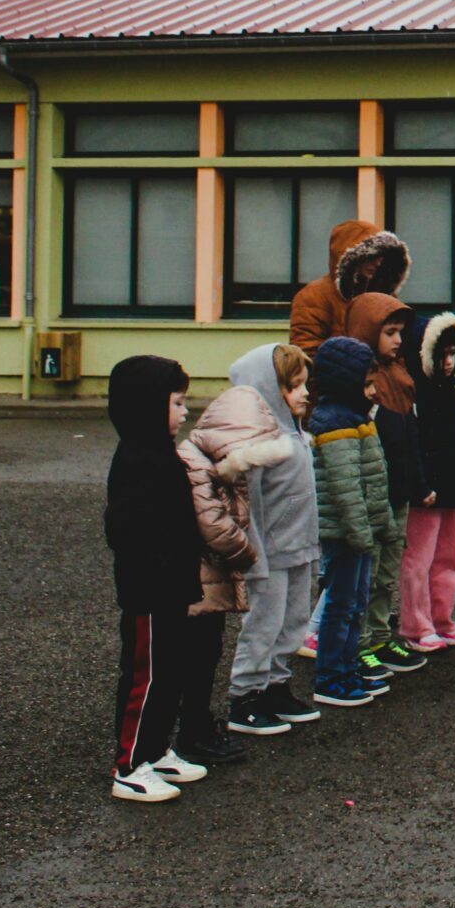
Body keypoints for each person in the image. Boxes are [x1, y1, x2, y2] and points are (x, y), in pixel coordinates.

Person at [172, 379, 293, 769]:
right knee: (194, 657)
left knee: (207, 654)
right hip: (202, 580)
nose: (185, 411)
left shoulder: (218, 465)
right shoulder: (197, 464)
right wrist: (247, 553)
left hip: (211, 581)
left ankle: (199, 723)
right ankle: (191, 730)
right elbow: (216, 525)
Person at [103, 355, 208, 803]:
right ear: (149, 404)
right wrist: (161, 571)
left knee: (172, 671)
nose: (185, 412)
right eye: (177, 402)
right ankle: (128, 765)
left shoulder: (161, 454)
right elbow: (126, 531)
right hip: (149, 591)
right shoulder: (136, 460)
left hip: (172, 586)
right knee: (146, 676)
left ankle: (155, 749)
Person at [226, 343, 323, 737]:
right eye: (293, 386)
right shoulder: (259, 446)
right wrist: (255, 559)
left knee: (294, 619)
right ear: (268, 389)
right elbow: (251, 510)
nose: (304, 393)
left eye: (304, 385)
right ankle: (245, 696)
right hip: (269, 556)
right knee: (263, 624)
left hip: (299, 548)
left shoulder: (298, 434)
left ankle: (275, 685)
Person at [306, 336, 396, 708]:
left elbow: (373, 480)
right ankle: (331, 676)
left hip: (358, 533)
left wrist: (380, 526)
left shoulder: (356, 418)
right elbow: (347, 489)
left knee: (356, 601)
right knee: (342, 604)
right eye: (366, 383)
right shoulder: (335, 424)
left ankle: (347, 667)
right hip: (345, 535)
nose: (374, 392)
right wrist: (364, 533)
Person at [345, 291, 424, 678]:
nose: (397, 339)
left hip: (398, 490)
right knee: (367, 570)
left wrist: (416, 480)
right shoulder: (360, 380)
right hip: (371, 492)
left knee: (388, 567)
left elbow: (410, 435)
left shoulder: (400, 372)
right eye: (389, 332)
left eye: (400, 332)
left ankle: (379, 635)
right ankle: (357, 642)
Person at [400, 313, 455, 651]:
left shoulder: (448, 393)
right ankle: (416, 624)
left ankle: (442, 619)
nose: (448, 363)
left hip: (448, 487)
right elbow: (411, 446)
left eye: (453, 354)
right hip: (425, 492)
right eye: (441, 354)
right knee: (419, 558)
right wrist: (419, 485)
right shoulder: (414, 393)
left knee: (448, 556)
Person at [286, 219, 409, 350]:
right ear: (352, 259)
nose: (378, 262)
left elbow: (399, 350)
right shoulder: (313, 297)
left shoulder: (383, 296)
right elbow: (306, 352)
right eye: (371, 256)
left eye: (381, 256)